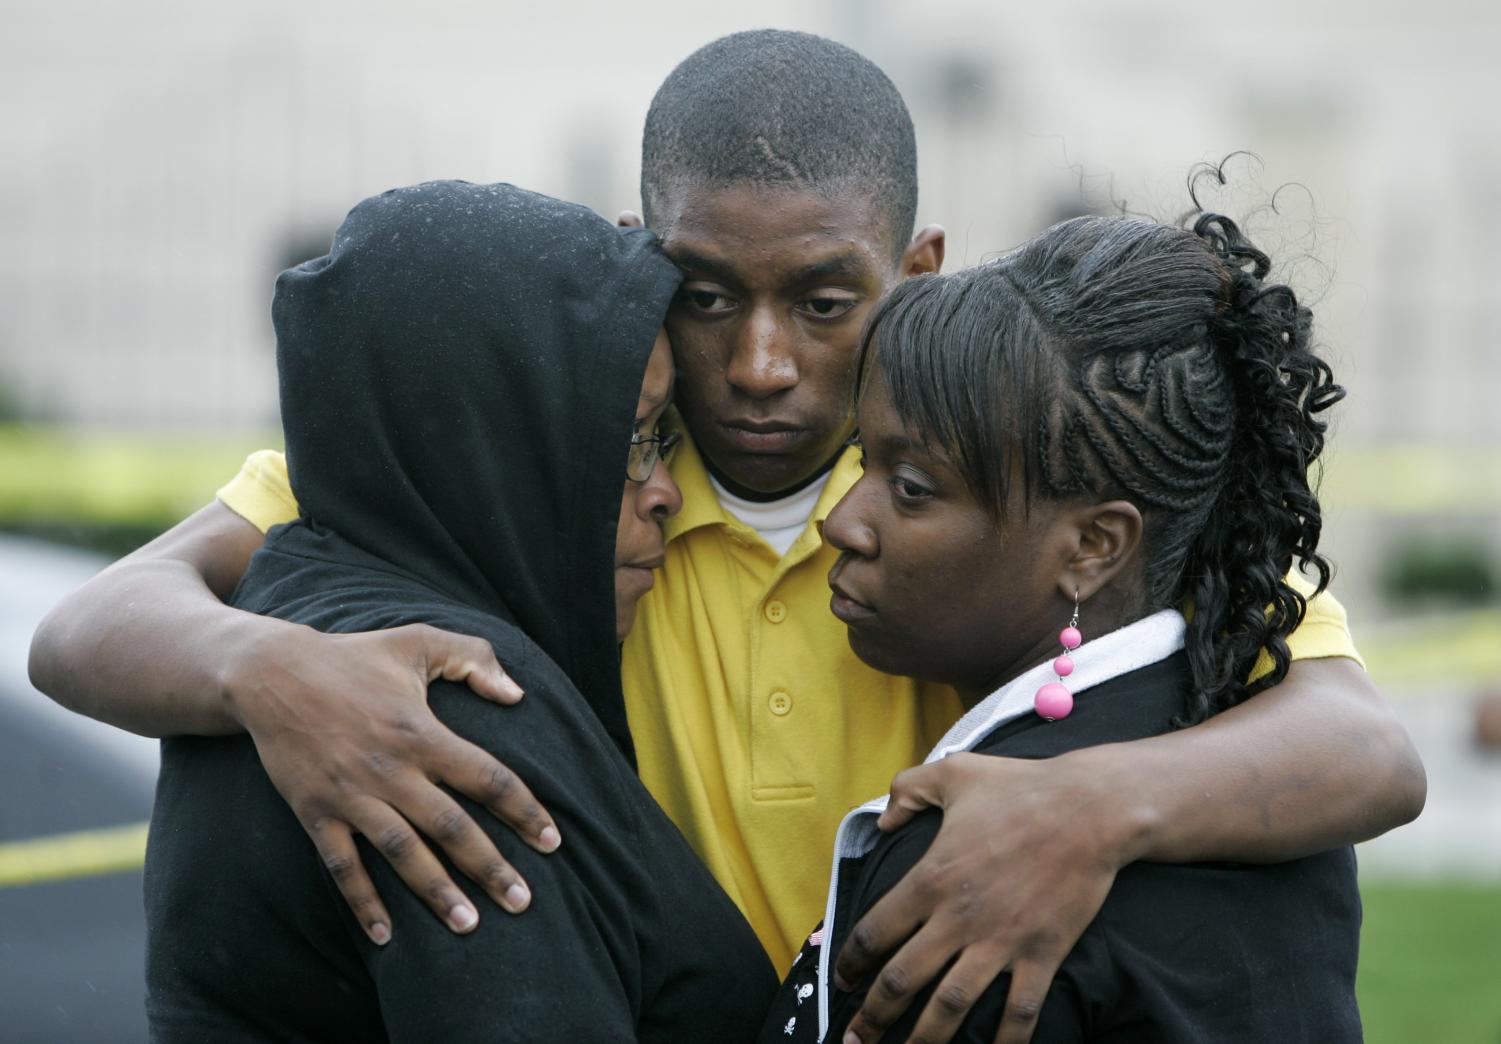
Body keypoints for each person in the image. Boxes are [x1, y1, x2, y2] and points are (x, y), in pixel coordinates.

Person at [31, 29, 1423, 1041]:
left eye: (826, 303)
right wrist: (269, 674)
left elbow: (1361, 746)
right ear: (642, 253)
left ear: (916, 269)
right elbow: (89, 628)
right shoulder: (536, 465)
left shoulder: (1005, 479)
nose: (761, 362)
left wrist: (1090, 810)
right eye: (702, 296)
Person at [143, 180, 776, 1042]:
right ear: (492, 449)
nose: (665, 491)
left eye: (664, 438)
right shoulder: (425, 713)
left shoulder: (299, 625)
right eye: (629, 440)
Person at [765, 212, 1363, 1043]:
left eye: (909, 487)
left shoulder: (980, 865)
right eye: (862, 458)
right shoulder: (1269, 785)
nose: (844, 522)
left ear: (1092, 547)